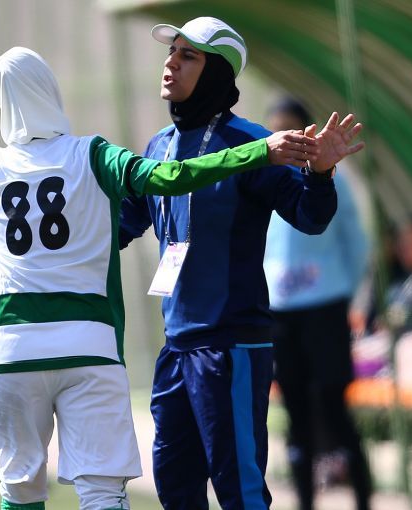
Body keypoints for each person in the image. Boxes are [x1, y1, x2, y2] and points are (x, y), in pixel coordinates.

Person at [0, 46, 322, 510]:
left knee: (20, 490)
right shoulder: (93, 154)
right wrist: (259, 152)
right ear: (52, 91)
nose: (171, 62)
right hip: (88, 344)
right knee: (103, 491)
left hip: (10, 349)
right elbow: (171, 177)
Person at [118, 17, 365, 510]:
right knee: (175, 487)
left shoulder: (253, 145)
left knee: (240, 493)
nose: (171, 63)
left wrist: (320, 174)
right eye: (171, 53)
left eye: (188, 55)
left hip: (231, 346)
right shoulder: (157, 147)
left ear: (216, 72)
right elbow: (123, 225)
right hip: (176, 348)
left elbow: (310, 217)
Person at [263, 98, 372, 510]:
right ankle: (305, 502)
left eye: (293, 128)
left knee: (334, 407)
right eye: (277, 129)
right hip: (280, 312)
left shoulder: (330, 180)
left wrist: (341, 288)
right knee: (295, 415)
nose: (286, 137)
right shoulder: (265, 179)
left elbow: (355, 243)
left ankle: (362, 499)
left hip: (325, 307)